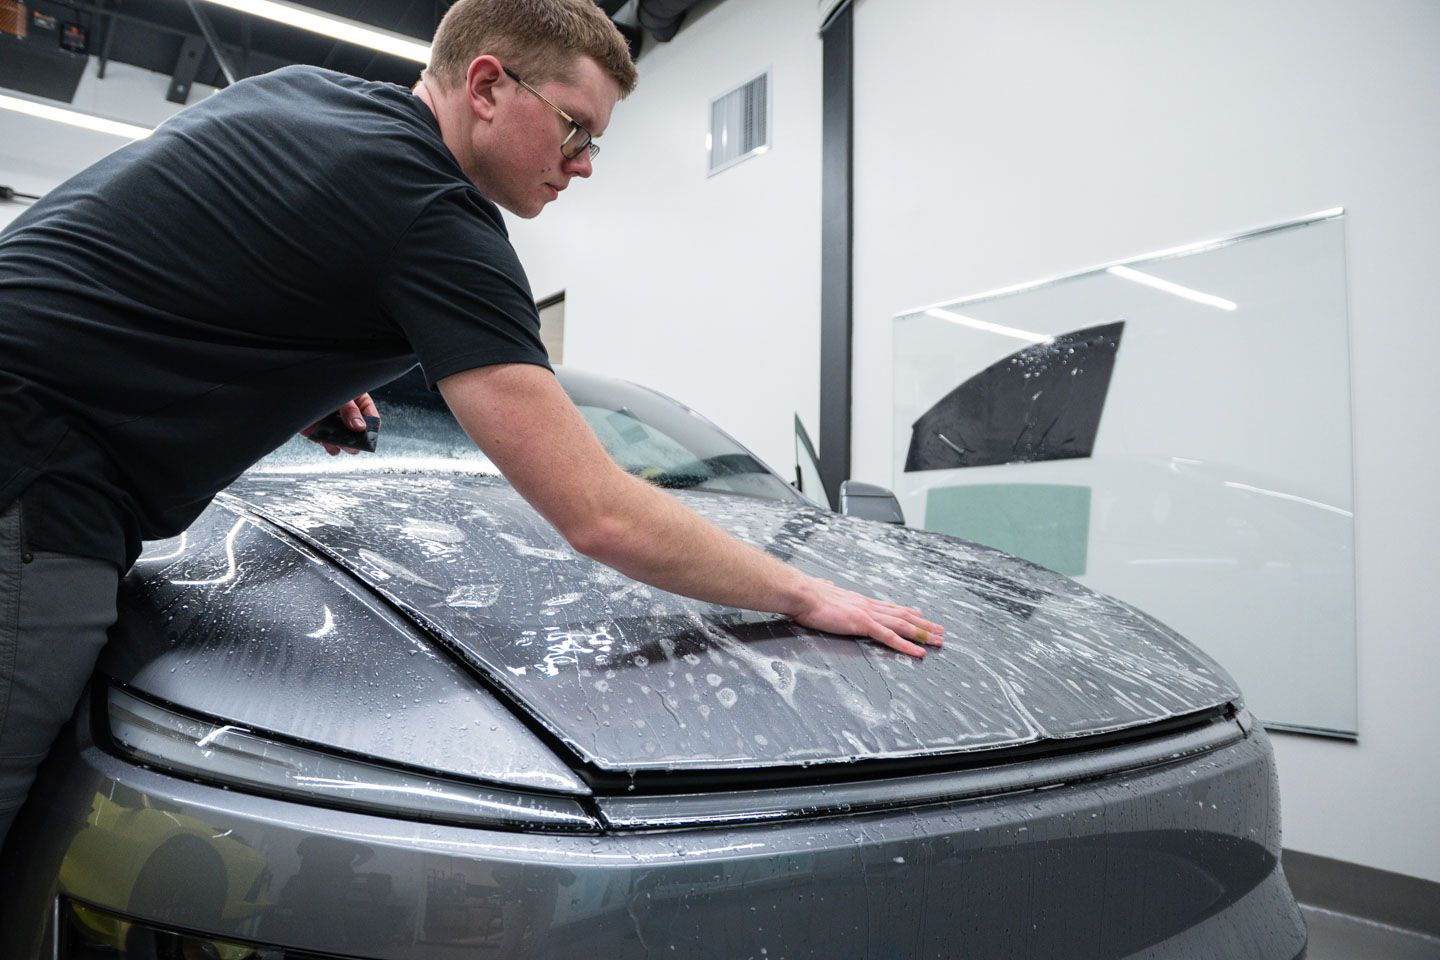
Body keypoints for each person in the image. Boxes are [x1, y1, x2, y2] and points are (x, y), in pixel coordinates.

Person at [0, 0, 941, 852]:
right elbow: (598, 512)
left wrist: (299, 356)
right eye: (575, 128)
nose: (582, 164)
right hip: (33, 475)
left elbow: (178, 248)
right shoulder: (435, 218)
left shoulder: (307, 97)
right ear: (488, 83)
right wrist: (807, 598)